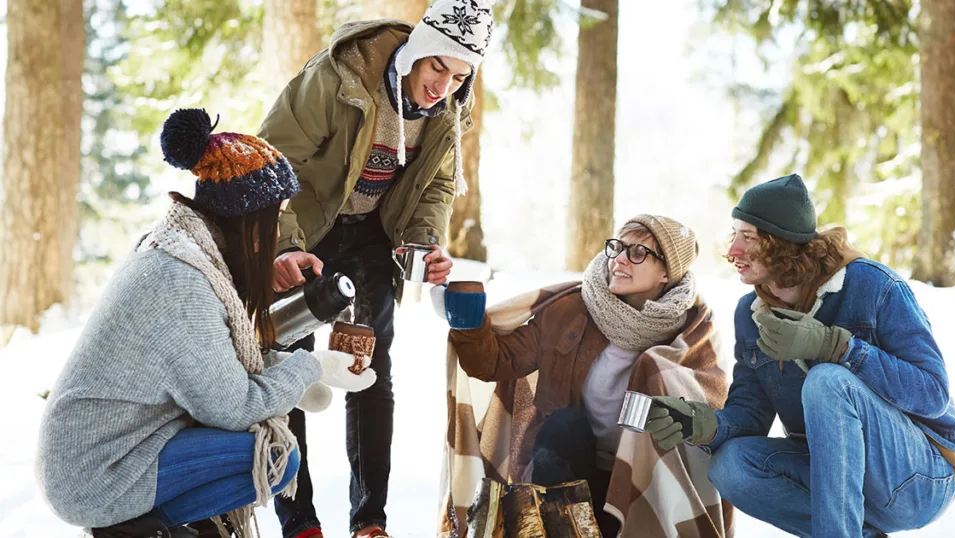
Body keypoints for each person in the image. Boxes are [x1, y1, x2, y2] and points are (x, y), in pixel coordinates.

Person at [35, 109, 375, 538]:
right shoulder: (181, 283)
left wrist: (289, 372)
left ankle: (164, 529)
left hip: (91, 459)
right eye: (274, 220)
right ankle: (134, 530)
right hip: (96, 475)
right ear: (250, 222)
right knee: (274, 458)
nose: (273, 235)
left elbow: (213, 373)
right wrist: (312, 366)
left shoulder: (177, 252)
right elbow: (235, 408)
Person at [257, 1, 495, 536]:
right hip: (306, 230)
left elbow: (435, 185)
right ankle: (299, 521)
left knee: (369, 372)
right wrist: (284, 245)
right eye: (437, 67)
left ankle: (369, 522)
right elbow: (273, 161)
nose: (443, 85)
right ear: (416, 51)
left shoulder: (451, 107)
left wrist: (420, 243)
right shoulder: (338, 77)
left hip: (369, 238)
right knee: (288, 370)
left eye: (459, 76)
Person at [644, 174, 955, 537]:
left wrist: (838, 347)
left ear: (782, 244)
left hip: (917, 479)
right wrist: (706, 426)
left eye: (748, 237)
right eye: (733, 234)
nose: (732, 250)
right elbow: (751, 415)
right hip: (834, 479)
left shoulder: (872, 286)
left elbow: (933, 393)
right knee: (731, 466)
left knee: (828, 381)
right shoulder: (751, 313)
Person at [445, 215, 729, 537]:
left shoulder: (693, 329)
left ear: (667, 272)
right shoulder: (571, 308)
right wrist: (467, 322)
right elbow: (496, 361)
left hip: (643, 481)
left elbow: (712, 403)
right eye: (617, 248)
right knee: (563, 425)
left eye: (637, 253)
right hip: (569, 468)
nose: (620, 260)